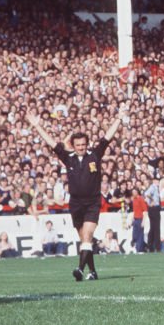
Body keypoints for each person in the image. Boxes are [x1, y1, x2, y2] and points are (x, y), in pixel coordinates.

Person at [26, 103, 126, 281]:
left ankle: (79, 270)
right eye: (78, 145)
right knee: (84, 240)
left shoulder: (94, 155)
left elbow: (107, 137)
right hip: (76, 203)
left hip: (93, 202)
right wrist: (36, 126)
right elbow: (51, 142)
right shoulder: (68, 157)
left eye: (83, 144)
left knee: (87, 236)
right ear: (73, 145)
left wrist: (119, 118)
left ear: (87, 144)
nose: (81, 147)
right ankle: (93, 272)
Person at [143, 176, 163, 252]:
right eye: (156, 180)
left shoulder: (153, 187)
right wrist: (152, 200)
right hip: (154, 208)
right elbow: (147, 194)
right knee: (156, 228)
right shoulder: (153, 187)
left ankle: (150, 245)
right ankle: (157, 247)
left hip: (152, 209)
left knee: (153, 228)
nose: (158, 182)